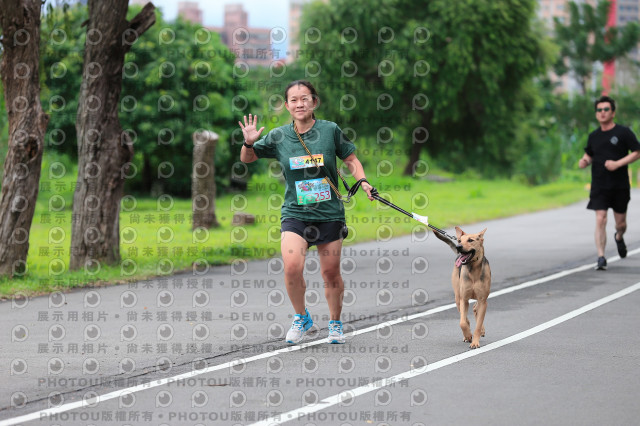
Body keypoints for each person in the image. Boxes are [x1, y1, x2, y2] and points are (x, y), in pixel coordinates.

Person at [239, 80, 373, 344]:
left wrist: (363, 181)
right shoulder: (279, 136)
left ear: (314, 102)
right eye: (294, 100)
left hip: (329, 213)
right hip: (295, 213)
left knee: (330, 272)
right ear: (287, 105)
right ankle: (302, 317)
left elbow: (351, 160)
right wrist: (249, 143)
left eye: (305, 98)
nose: (299, 104)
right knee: (291, 267)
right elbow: (248, 158)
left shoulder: (329, 130)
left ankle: (335, 323)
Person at [578, 95, 640, 270]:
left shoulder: (623, 132)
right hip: (599, 185)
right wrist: (584, 161)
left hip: (619, 185)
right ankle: (601, 256)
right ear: (596, 114)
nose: (602, 113)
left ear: (613, 112)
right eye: (599, 110)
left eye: (606, 109)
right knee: (600, 218)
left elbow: (637, 151)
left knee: (620, 224)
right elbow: (589, 153)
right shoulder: (594, 136)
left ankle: (619, 237)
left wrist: (618, 164)